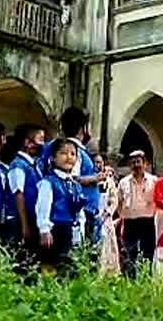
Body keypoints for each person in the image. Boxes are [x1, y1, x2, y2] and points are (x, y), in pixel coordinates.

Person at [36, 139, 87, 271]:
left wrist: (79, 233)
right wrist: (44, 229)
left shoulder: (75, 185)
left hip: (69, 229)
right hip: (54, 229)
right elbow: (43, 206)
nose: (69, 157)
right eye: (63, 153)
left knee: (68, 267)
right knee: (50, 266)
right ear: (53, 157)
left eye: (73, 154)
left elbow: (79, 211)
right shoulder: (49, 182)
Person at [59, 107, 104, 244]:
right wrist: (95, 178)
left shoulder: (77, 150)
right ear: (82, 128)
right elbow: (71, 178)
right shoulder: (74, 150)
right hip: (81, 214)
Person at [118, 150, 157, 276]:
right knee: (130, 253)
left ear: (145, 163)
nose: (136, 165)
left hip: (148, 222)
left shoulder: (154, 181)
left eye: (138, 161)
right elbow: (119, 203)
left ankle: (147, 278)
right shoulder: (123, 182)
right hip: (130, 223)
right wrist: (123, 216)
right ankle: (130, 282)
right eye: (133, 162)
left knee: (148, 253)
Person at [6, 124, 45, 248]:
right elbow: (18, 194)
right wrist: (25, 225)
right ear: (28, 142)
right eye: (41, 139)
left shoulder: (34, 165)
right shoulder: (18, 166)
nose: (43, 144)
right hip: (19, 221)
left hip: (30, 219)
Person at [95, 154, 120, 274]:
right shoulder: (89, 179)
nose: (98, 165)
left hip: (106, 217)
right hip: (93, 215)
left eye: (100, 162)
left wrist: (109, 212)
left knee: (107, 244)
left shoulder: (109, 182)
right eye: (95, 162)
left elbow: (114, 199)